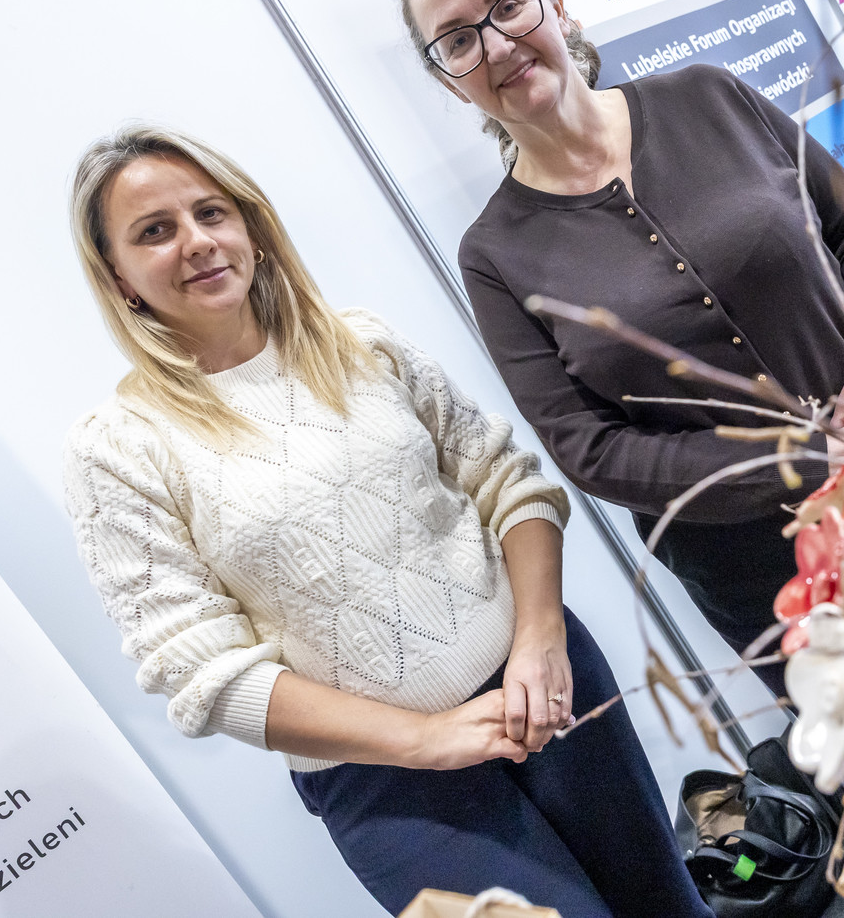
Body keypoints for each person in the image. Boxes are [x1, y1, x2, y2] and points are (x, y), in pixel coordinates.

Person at [398, 0, 844, 871]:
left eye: (507, 6)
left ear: (556, 5)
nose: (496, 45)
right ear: (449, 79)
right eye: (459, 40)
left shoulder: (708, 97)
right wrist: (803, 457)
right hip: (761, 571)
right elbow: (589, 449)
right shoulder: (496, 254)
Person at [60, 125, 712, 918]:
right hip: (389, 786)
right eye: (154, 231)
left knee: (667, 907)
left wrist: (542, 639)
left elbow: (509, 483)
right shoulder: (118, 448)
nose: (196, 241)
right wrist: (425, 741)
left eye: (211, 212)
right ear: (118, 276)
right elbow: (205, 676)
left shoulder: (362, 344)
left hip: (544, 688)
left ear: (251, 228)